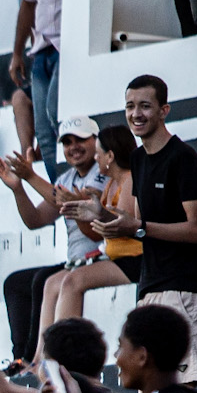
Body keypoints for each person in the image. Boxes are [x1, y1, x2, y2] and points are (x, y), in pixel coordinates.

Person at [97, 75, 197, 387]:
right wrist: (94, 212)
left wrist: (139, 227)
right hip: (149, 288)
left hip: (183, 291)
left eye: (145, 106)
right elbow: (135, 225)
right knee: (153, 392)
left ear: (164, 111)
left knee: (183, 392)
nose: (136, 114)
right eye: (130, 106)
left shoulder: (183, 157)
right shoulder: (137, 159)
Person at [0, 119, 106, 370]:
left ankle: (39, 358)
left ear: (96, 141)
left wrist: (31, 176)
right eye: (67, 142)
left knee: (43, 280)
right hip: (75, 260)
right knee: (15, 283)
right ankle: (22, 358)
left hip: (99, 256)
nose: (73, 147)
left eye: (81, 139)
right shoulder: (66, 177)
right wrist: (18, 189)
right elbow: (36, 220)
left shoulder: (102, 172)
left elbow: (70, 203)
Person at [12, 0, 127, 175]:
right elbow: (28, 4)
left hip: (75, 47)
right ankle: (62, 195)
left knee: (61, 118)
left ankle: (87, 185)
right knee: (45, 134)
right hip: (42, 49)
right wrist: (17, 53)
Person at [45, 126, 141, 326]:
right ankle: (42, 354)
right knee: (51, 282)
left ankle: (64, 348)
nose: (96, 160)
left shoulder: (129, 180)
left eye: (99, 155)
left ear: (110, 156)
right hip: (115, 258)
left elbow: (120, 227)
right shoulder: (111, 184)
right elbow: (96, 231)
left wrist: (92, 211)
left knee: (73, 281)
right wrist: (82, 213)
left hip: (133, 261)